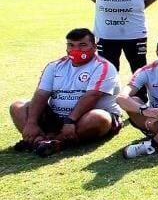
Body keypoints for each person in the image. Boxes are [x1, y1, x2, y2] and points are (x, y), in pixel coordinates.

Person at [9, 28, 123, 157]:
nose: (76, 49)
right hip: (56, 118)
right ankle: (40, 142)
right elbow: (41, 94)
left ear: (94, 47)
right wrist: (31, 123)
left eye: (82, 45)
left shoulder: (104, 67)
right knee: (17, 106)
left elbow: (92, 95)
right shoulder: (55, 66)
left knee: (98, 117)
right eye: (71, 45)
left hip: (84, 119)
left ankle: (55, 141)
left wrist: (70, 121)